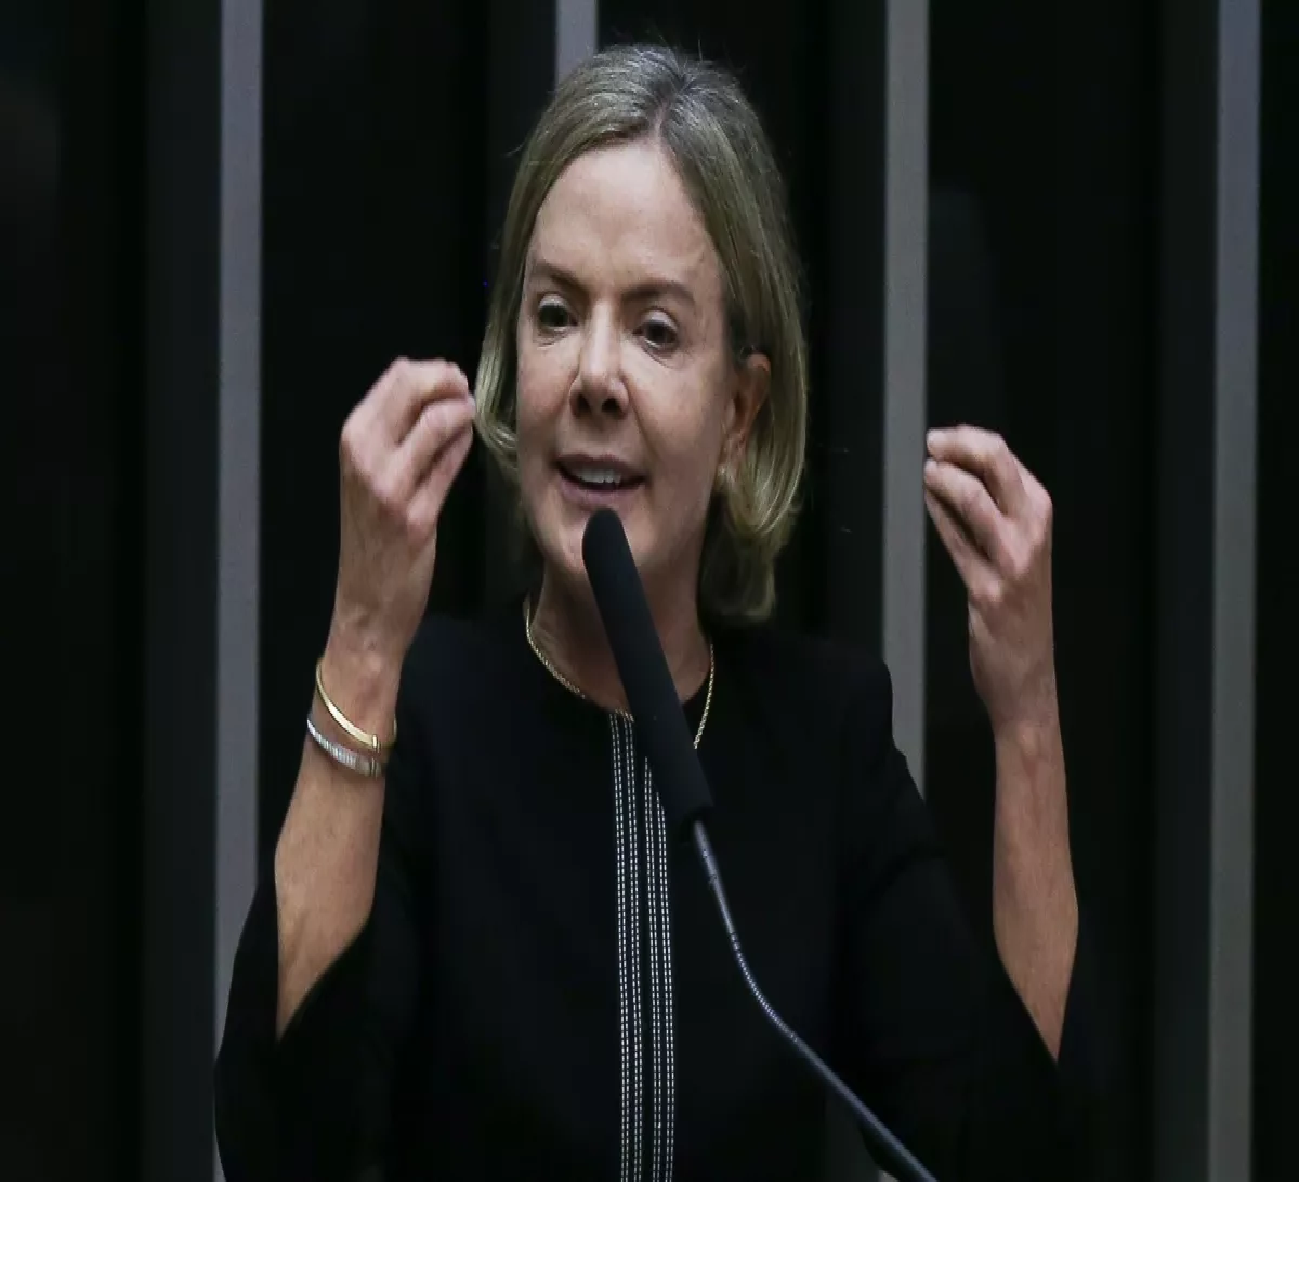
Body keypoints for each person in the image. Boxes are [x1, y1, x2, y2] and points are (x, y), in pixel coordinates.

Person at [214, 43, 1096, 1180]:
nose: (593, 375)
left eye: (656, 329)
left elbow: (1026, 1177)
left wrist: (1028, 716)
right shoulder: (423, 719)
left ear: (739, 413)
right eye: (554, 313)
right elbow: (280, 1163)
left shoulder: (824, 740)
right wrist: (363, 643)